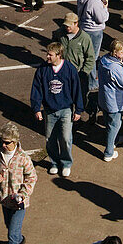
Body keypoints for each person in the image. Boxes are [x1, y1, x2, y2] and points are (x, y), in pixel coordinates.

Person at [30, 41, 83, 177]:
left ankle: (66, 163)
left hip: (66, 109)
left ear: (59, 55)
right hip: (49, 110)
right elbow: (37, 89)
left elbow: (77, 89)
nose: (47, 57)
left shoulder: (69, 69)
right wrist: (36, 108)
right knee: (50, 138)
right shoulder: (43, 69)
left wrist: (78, 110)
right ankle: (54, 162)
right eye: (47, 54)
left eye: (50, 54)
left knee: (65, 138)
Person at [0, 121, 37, 244]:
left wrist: (23, 194)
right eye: (2, 141)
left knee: (12, 235)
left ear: (15, 141)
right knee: (9, 226)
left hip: (18, 202)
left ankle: (16, 242)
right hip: (5, 199)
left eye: (7, 142)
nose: (3, 144)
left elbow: (32, 177)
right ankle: (20, 239)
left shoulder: (23, 157)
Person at [97, 39, 123, 162]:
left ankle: (114, 139)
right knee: (115, 125)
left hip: (104, 97)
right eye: (122, 51)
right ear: (115, 52)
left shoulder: (103, 60)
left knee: (108, 122)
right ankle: (109, 152)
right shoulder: (115, 67)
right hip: (114, 101)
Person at [77, 0, 109, 93]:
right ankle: (91, 83)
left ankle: (83, 79)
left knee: (84, 55)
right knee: (92, 57)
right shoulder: (94, 1)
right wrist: (105, 8)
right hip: (94, 31)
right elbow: (101, 18)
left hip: (84, 28)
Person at [61, 12, 95, 114]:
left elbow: (90, 58)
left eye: (69, 25)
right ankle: (69, 118)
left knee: (82, 99)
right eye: (65, 25)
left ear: (76, 23)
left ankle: (91, 111)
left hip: (79, 74)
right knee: (66, 97)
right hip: (64, 73)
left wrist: (84, 73)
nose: (67, 27)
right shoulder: (60, 34)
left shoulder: (85, 38)